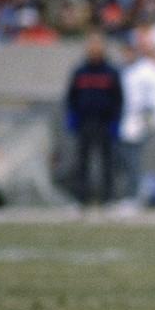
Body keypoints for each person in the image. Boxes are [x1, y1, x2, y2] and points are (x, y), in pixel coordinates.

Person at [64, 31, 124, 207]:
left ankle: (107, 199)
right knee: (82, 162)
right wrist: (72, 117)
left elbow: (118, 98)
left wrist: (115, 120)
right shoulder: (80, 71)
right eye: (92, 44)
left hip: (104, 122)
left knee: (107, 163)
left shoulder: (111, 72)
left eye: (98, 45)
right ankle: (81, 199)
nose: (94, 48)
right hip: (85, 122)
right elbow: (71, 97)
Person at [116, 28, 155, 213]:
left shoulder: (148, 70)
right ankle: (132, 195)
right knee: (127, 162)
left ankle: (135, 197)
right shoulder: (127, 70)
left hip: (140, 122)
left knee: (135, 163)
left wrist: (150, 120)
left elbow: (153, 100)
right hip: (126, 121)